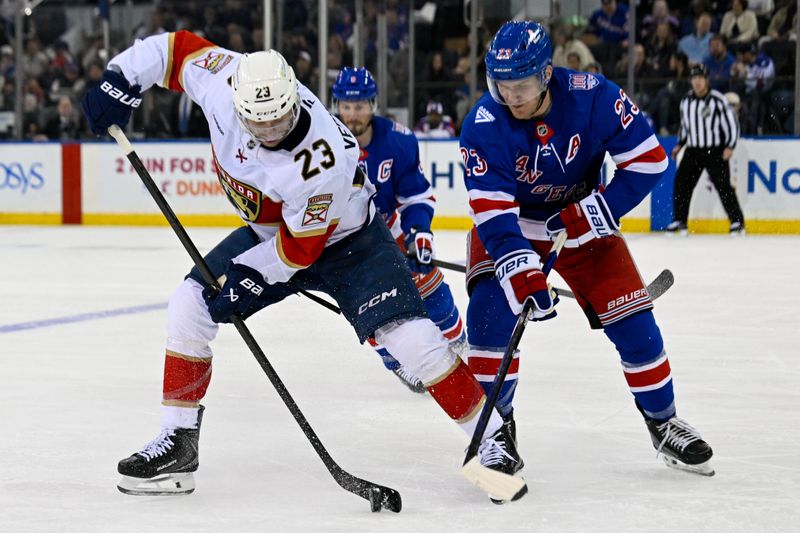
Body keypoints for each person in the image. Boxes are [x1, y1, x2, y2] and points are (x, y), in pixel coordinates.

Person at [81, 30, 518, 502]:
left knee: (411, 340)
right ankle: (178, 442)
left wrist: (247, 277)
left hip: (350, 242)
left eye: (281, 121)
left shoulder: (319, 157)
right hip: (273, 232)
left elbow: (299, 250)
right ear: (238, 105)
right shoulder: (223, 80)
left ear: (295, 97)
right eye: (259, 125)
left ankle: (492, 438)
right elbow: (172, 49)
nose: (271, 132)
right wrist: (119, 79)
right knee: (189, 305)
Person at [459, 20, 715, 482]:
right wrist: (521, 272)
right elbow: (494, 217)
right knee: (489, 317)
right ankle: (496, 429)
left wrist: (598, 210)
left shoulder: (593, 95)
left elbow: (650, 161)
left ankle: (663, 421)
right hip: (512, 227)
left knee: (636, 324)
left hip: (584, 225)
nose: (511, 97)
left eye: (521, 85)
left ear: (546, 74)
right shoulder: (482, 124)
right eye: (501, 86)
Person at [331, 68, 465, 392]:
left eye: (360, 105)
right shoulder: (323, 143)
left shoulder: (398, 140)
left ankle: (456, 338)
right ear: (336, 105)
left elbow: (415, 194)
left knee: (426, 278)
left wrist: (420, 232)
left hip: (389, 228)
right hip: (343, 240)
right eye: (347, 106)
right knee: (367, 302)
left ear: (373, 104)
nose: (353, 114)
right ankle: (396, 362)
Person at [668, 64, 745, 235]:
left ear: (706, 80)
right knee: (681, 184)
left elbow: (731, 125)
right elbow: (685, 126)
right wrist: (680, 144)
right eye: (694, 78)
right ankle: (680, 221)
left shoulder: (718, 100)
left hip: (715, 150)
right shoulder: (686, 101)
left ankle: (737, 222)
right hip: (693, 149)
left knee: (723, 186)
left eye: (700, 79)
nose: (697, 82)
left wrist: (730, 146)